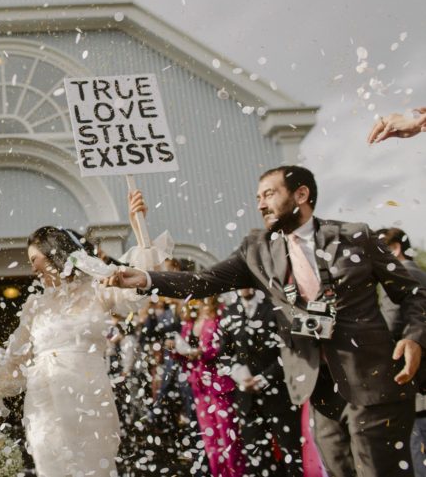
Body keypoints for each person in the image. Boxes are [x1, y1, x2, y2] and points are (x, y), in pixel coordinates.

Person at [109, 166, 426, 476]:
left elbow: (414, 292)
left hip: (372, 380)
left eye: (269, 194)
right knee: (338, 469)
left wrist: (414, 336)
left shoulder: (356, 236)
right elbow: (202, 281)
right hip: (318, 389)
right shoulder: (257, 250)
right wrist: (146, 277)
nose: (260, 204)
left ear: (301, 194)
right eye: (258, 197)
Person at [0, 226, 146, 477]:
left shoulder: (98, 290)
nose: (32, 268)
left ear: (54, 253)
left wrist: (140, 231)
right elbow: (14, 357)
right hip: (44, 404)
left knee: (93, 467)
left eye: (35, 259)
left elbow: (137, 290)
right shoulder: (35, 305)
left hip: (89, 398)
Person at [219, 288, 303, 477]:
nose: (244, 287)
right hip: (246, 397)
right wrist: (237, 374)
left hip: (278, 394)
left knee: (290, 450)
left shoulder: (274, 309)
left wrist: (264, 378)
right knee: (256, 455)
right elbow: (223, 354)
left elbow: (288, 351)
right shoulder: (229, 311)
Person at [175, 297, 245, 477]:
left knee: (228, 435)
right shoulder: (191, 317)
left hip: (218, 384)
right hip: (198, 385)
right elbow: (184, 345)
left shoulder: (220, 313)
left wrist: (203, 352)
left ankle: (236, 473)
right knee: (210, 438)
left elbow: (225, 346)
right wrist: (177, 351)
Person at [377, 228, 426, 477]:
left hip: (416, 386)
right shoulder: (420, 273)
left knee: (419, 461)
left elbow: (391, 325)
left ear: (394, 249)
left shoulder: (402, 277)